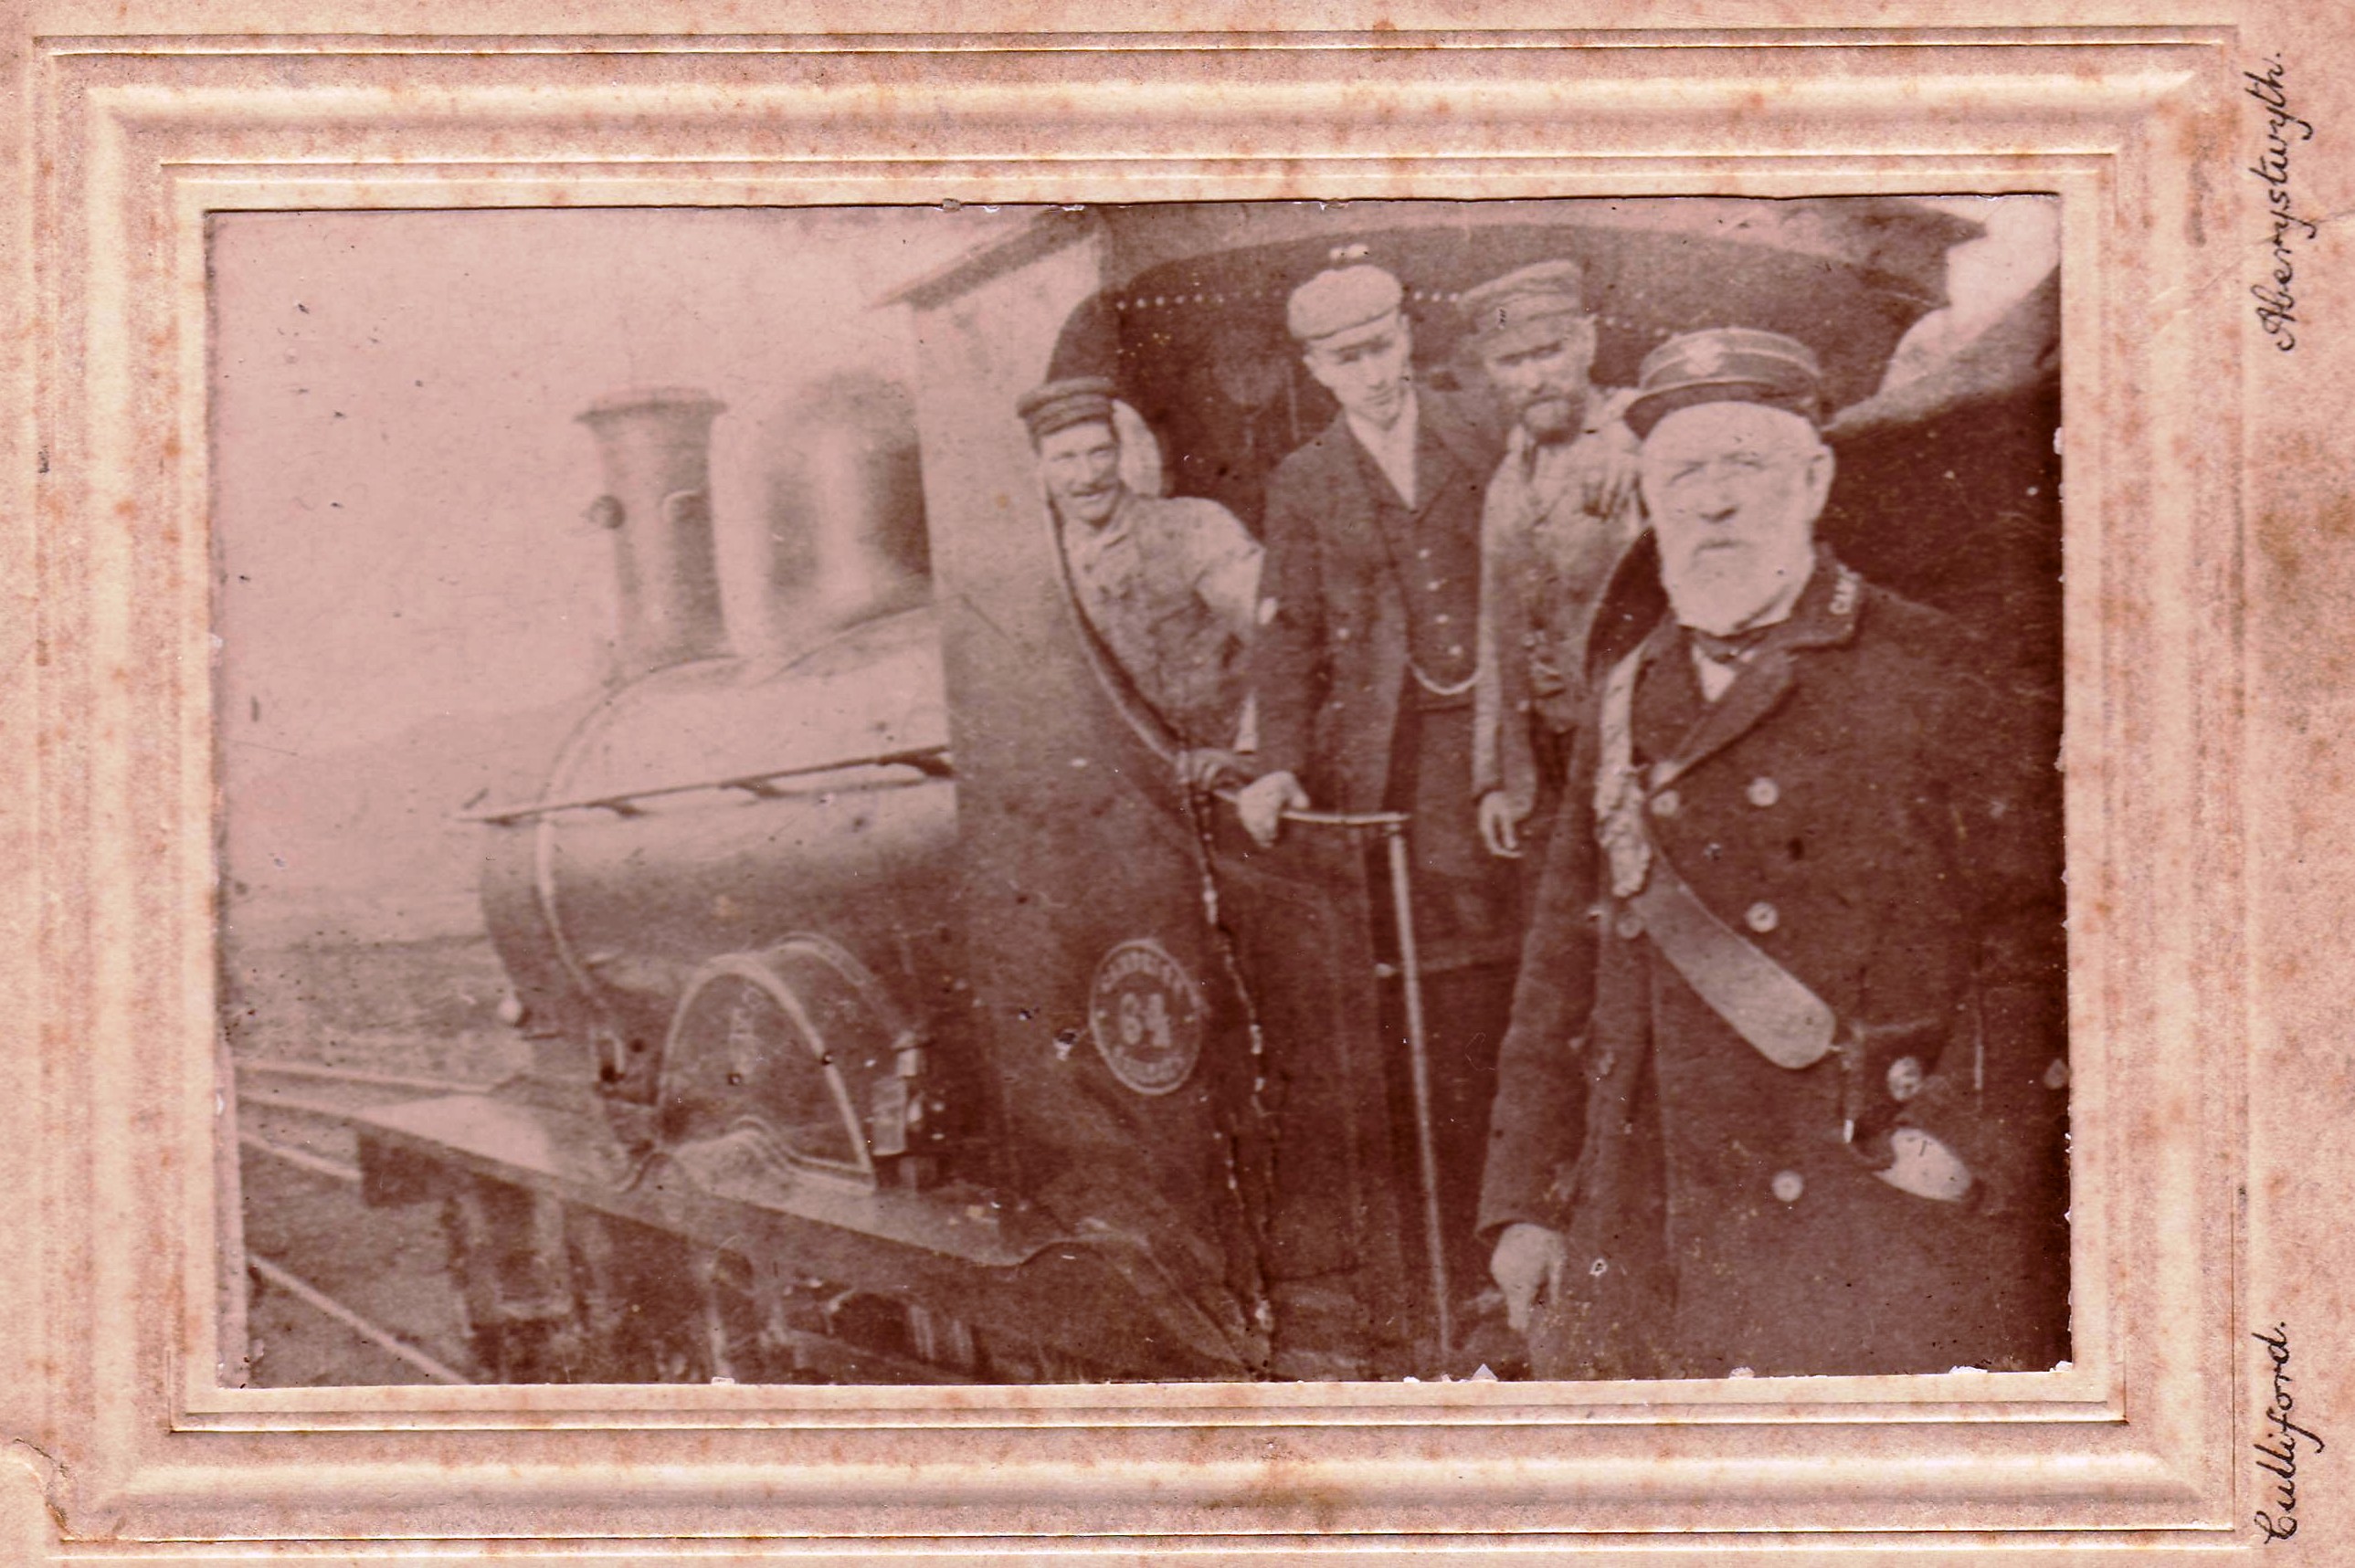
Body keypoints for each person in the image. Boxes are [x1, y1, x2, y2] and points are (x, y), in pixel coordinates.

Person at [1478, 327, 2070, 1380]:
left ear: (1812, 482)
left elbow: (2037, 938)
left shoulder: (1928, 666)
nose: (1712, 501)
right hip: (1653, 1212)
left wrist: (1960, 1137)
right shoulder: (1626, 693)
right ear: (1649, 498)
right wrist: (1524, 1202)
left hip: (1866, 1200)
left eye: (1744, 465)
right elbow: (1558, 970)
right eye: (1681, 473)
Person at [1237, 260, 1518, 1344]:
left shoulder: (1478, 424)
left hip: (1502, 736)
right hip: (1394, 761)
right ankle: (1467, 1256)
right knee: (1442, 1011)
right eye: (1347, 358)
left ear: (1408, 335)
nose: (1374, 371)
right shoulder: (1303, 480)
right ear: (1316, 369)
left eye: (1385, 346)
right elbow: (1288, 635)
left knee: (1517, 979)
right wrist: (1276, 764)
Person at [1459, 260, 1646, 863]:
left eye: (1548, 352)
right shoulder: (1505, 484)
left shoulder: (1637, 441)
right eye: (1510, 362)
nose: (1534, 378)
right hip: (1546, 760)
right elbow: (1494, 632)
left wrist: (1640, 435)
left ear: (1586, 342)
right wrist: (1491, 778)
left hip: (1640, 750)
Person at [1021, 375, 1262, 775]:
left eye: (1100, 453)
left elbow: (1285, 640)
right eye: (1065, 459)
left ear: (1120, 453)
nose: (1087, 476)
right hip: (1147, 773)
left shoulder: (1193, 527)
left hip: (1241, 768)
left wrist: (1252, 753)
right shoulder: (1050, 564)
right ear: (1041, 468)